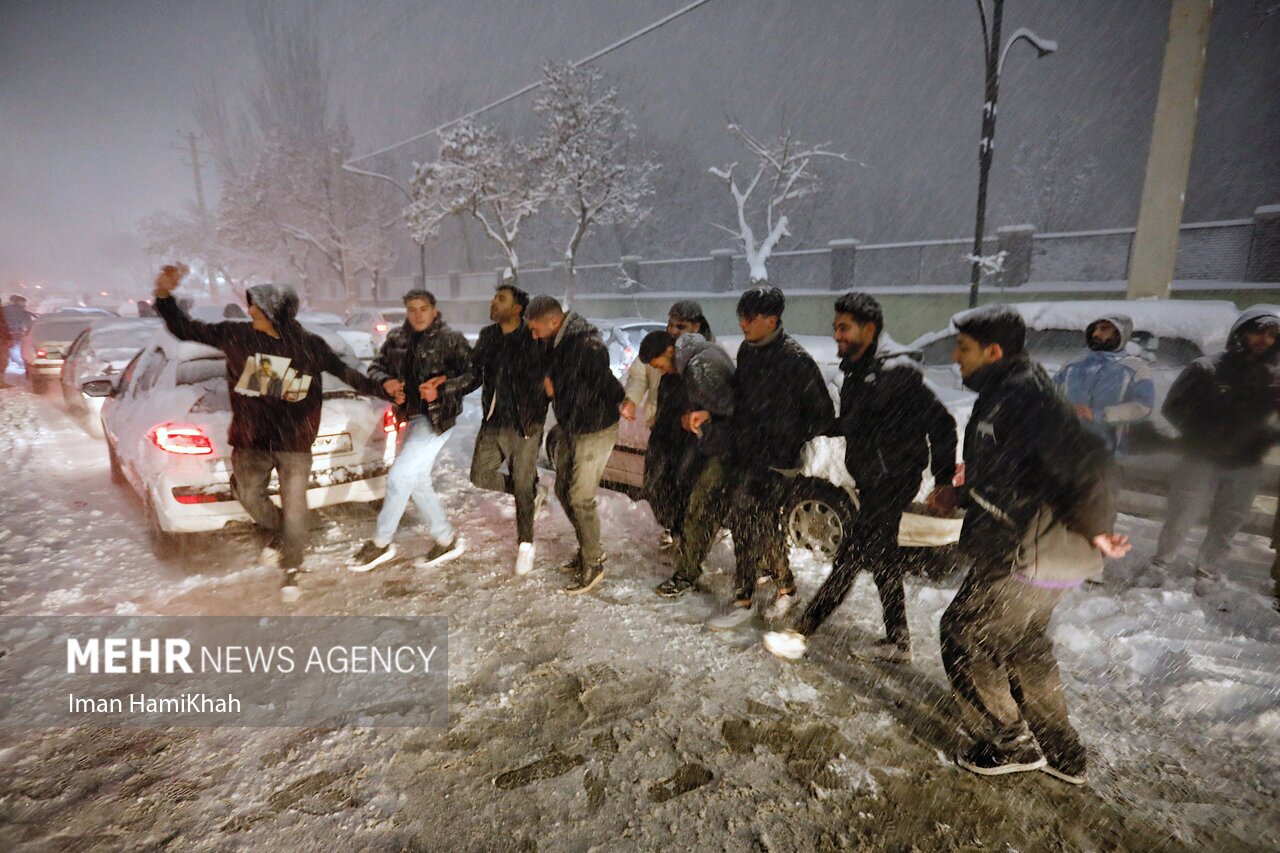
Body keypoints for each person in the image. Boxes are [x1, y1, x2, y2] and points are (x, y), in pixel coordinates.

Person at [927, 304, 1129, 783]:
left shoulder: (1021, 396)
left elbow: (1091, 460)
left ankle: (1010, 740)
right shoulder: (1013, 390)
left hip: (1029, 547)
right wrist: (960, 492)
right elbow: (1018, 468)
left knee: (966, 634)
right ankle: (1062, 751)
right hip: (1040, 546)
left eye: (964, 348)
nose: (956, 357)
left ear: (994, 351)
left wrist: (1096, 526)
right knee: (1023, 645)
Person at [150, 264, 388, 602]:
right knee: (248, 495)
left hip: (294, 441)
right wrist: (164, 295)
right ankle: (285, 534)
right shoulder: (238, 335)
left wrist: (389, 390)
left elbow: (349, 375)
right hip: (251, 439)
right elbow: (183, 328)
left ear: (274, 311)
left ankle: (293, 564)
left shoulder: (309, 344)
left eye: (255, 306)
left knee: (295, 506)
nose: (249, 311)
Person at [764, 292, 956, 662]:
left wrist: (944, 477)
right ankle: (898, 640)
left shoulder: (896, 373)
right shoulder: (856, 372)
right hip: (872, 481)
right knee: (884, 562)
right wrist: (814, 426)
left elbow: (942, 423)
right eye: (835, 327)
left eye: (844, 328)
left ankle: (802, 632)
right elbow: (859, 424)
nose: (837, 335)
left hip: (894, 480)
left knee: (850, 557)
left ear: (869, 329)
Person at [710, 285, 834, 629]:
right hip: (747, 453)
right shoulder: (749, 353)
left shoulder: (796, 360)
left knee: (758, 523)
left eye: (749, 318)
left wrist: (784, 430)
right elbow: (740, 398)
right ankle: (767, 591)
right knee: (746, 522)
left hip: (778, 460)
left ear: (771, 319)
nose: (742, 325)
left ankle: (759, 594)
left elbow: (823, 415)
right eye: (740, 317)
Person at [1142, 307, 1280, 594]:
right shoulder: (1205, 367)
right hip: (1202, 457)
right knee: (1183, 513)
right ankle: (1161, 563)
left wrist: (1264, 438)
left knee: (1229, 519)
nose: (1263, 340)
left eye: (1271, 335)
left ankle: (1208, 570)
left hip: (1246, 463)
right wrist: (1207, 433)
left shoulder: (1274, 378)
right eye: (1258, 331)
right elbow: (1174, 407)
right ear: (1240, 331)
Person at [351, 289, 472, 573]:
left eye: (423, 308)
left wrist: (442, 387)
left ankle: (381, 542)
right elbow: (376, 368)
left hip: (437, 419)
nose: (418, 314)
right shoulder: (396, 339)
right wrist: (388, 382)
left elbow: (473, 374)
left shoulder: (450, 340)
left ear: (434, 310)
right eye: (412, 309)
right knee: (416, 480)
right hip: (410, 418)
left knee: (399, 477)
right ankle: (446, 538)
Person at [525, 295, 624, 594]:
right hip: (572, 425)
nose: (534, 335)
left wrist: (557, 387)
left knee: (580, 496)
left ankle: (593, 563)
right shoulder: (556, 341)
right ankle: (589, 547)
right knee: (562, 488)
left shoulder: (587, 345)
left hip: (594, 428)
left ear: (554, 322)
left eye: (536, 329)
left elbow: (598, 387)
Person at [459, 281, 550, 576]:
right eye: (493, 297)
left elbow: (550, 376)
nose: (493, 303)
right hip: (494, 420)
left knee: (522, 483)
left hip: (524, 424)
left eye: (500, 299)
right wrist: (447, 388)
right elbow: (473, 374)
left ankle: (526, 544)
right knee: (480, 475)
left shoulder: (533, 337)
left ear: (517, 309)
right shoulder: (488, 337)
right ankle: (531, 492)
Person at [639, 329, 736, 599]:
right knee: (706, 511)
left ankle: (688, 574)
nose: (661, 371)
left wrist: (699, 422)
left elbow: (730, 411)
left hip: (720, 449)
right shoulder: (700, 355)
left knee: (700, 510)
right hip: (716, 446)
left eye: (658, 365)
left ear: (669, 351)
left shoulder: (698, 367)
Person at [621, 301, 716, 549]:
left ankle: (688, 538)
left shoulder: (706, 354)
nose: (673, 330)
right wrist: (631, 400)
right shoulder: (660, 344)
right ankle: (673, 525)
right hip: (662, 426)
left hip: (693, 435)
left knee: (686, 486)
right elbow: (639, 372)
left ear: (697, 326)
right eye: (670, 324)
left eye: (680, 326)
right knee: (656, 484)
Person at [1052, 313, 1155, 453]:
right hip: (1067, 446)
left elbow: (1143, 406)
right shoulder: (1073, 364)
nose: (1096, 333)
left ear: (1120, 334)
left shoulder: (1134, 368)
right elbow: (1051, 392)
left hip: (1108, 450)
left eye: (1104, 329)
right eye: (1095, 329)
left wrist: (1100, 415)